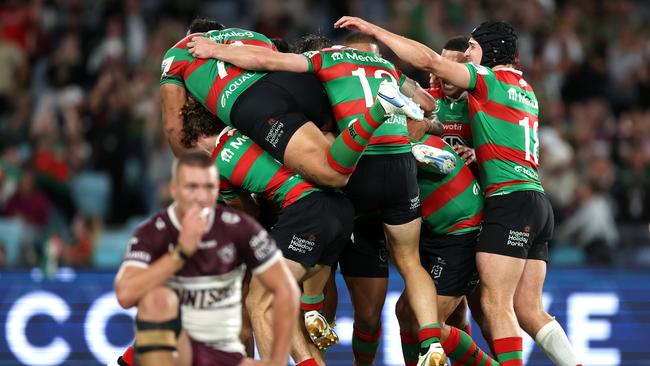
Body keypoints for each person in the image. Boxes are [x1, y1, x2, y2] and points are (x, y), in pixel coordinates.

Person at [187, 33, 448, 366]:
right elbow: (427, 104)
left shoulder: (324, 64)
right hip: (398, 167)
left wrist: (215, 50)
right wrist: (425, 125)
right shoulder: (387, 68)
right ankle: (431, 342)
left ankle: (312, 309)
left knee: (315, 234)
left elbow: (268, 61)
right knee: (409, 263)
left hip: (352, 175)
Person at [334, 16, 582, 366]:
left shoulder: (483, 87)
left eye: (470, 51)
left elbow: (430, 65)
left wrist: (377, 32)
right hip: (519, 203)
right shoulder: (519, 91)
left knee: (484, 309)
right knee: (520, 309)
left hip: (490, 211)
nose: (465, 59)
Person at [181, 94, 356, 365]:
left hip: (305, 212)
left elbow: (247, 215)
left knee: (259, 304)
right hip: (341, 209)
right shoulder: (257, 126)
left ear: (201, 136)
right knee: (298, 314)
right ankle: (312, 311)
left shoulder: (217, 162)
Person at [161, 27, 423, 189]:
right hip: (294, 82)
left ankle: (381, 111)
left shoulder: (178, 54)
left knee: (333, 175)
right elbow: (270, 60)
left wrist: (190, 177)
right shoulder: (253, 34)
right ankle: (413, 138)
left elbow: (174, 126)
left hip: (254, 104)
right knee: (337, 141)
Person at [114, 151, 299, 366]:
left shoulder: (240, 229)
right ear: (175, 189)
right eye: (192, 187)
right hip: (175, 348)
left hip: (221, 351)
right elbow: (126, 295)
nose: (201, 197)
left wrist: (276, 360)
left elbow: (286, 290)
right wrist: (181, 253)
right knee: (159, 303)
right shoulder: (154, 233)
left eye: (209, 187)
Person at [394, 133, 496, 366]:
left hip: (463, 234)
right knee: (404, 311)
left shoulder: (409, 142)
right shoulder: (407, 142)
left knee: (427, 325)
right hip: (438, 234)